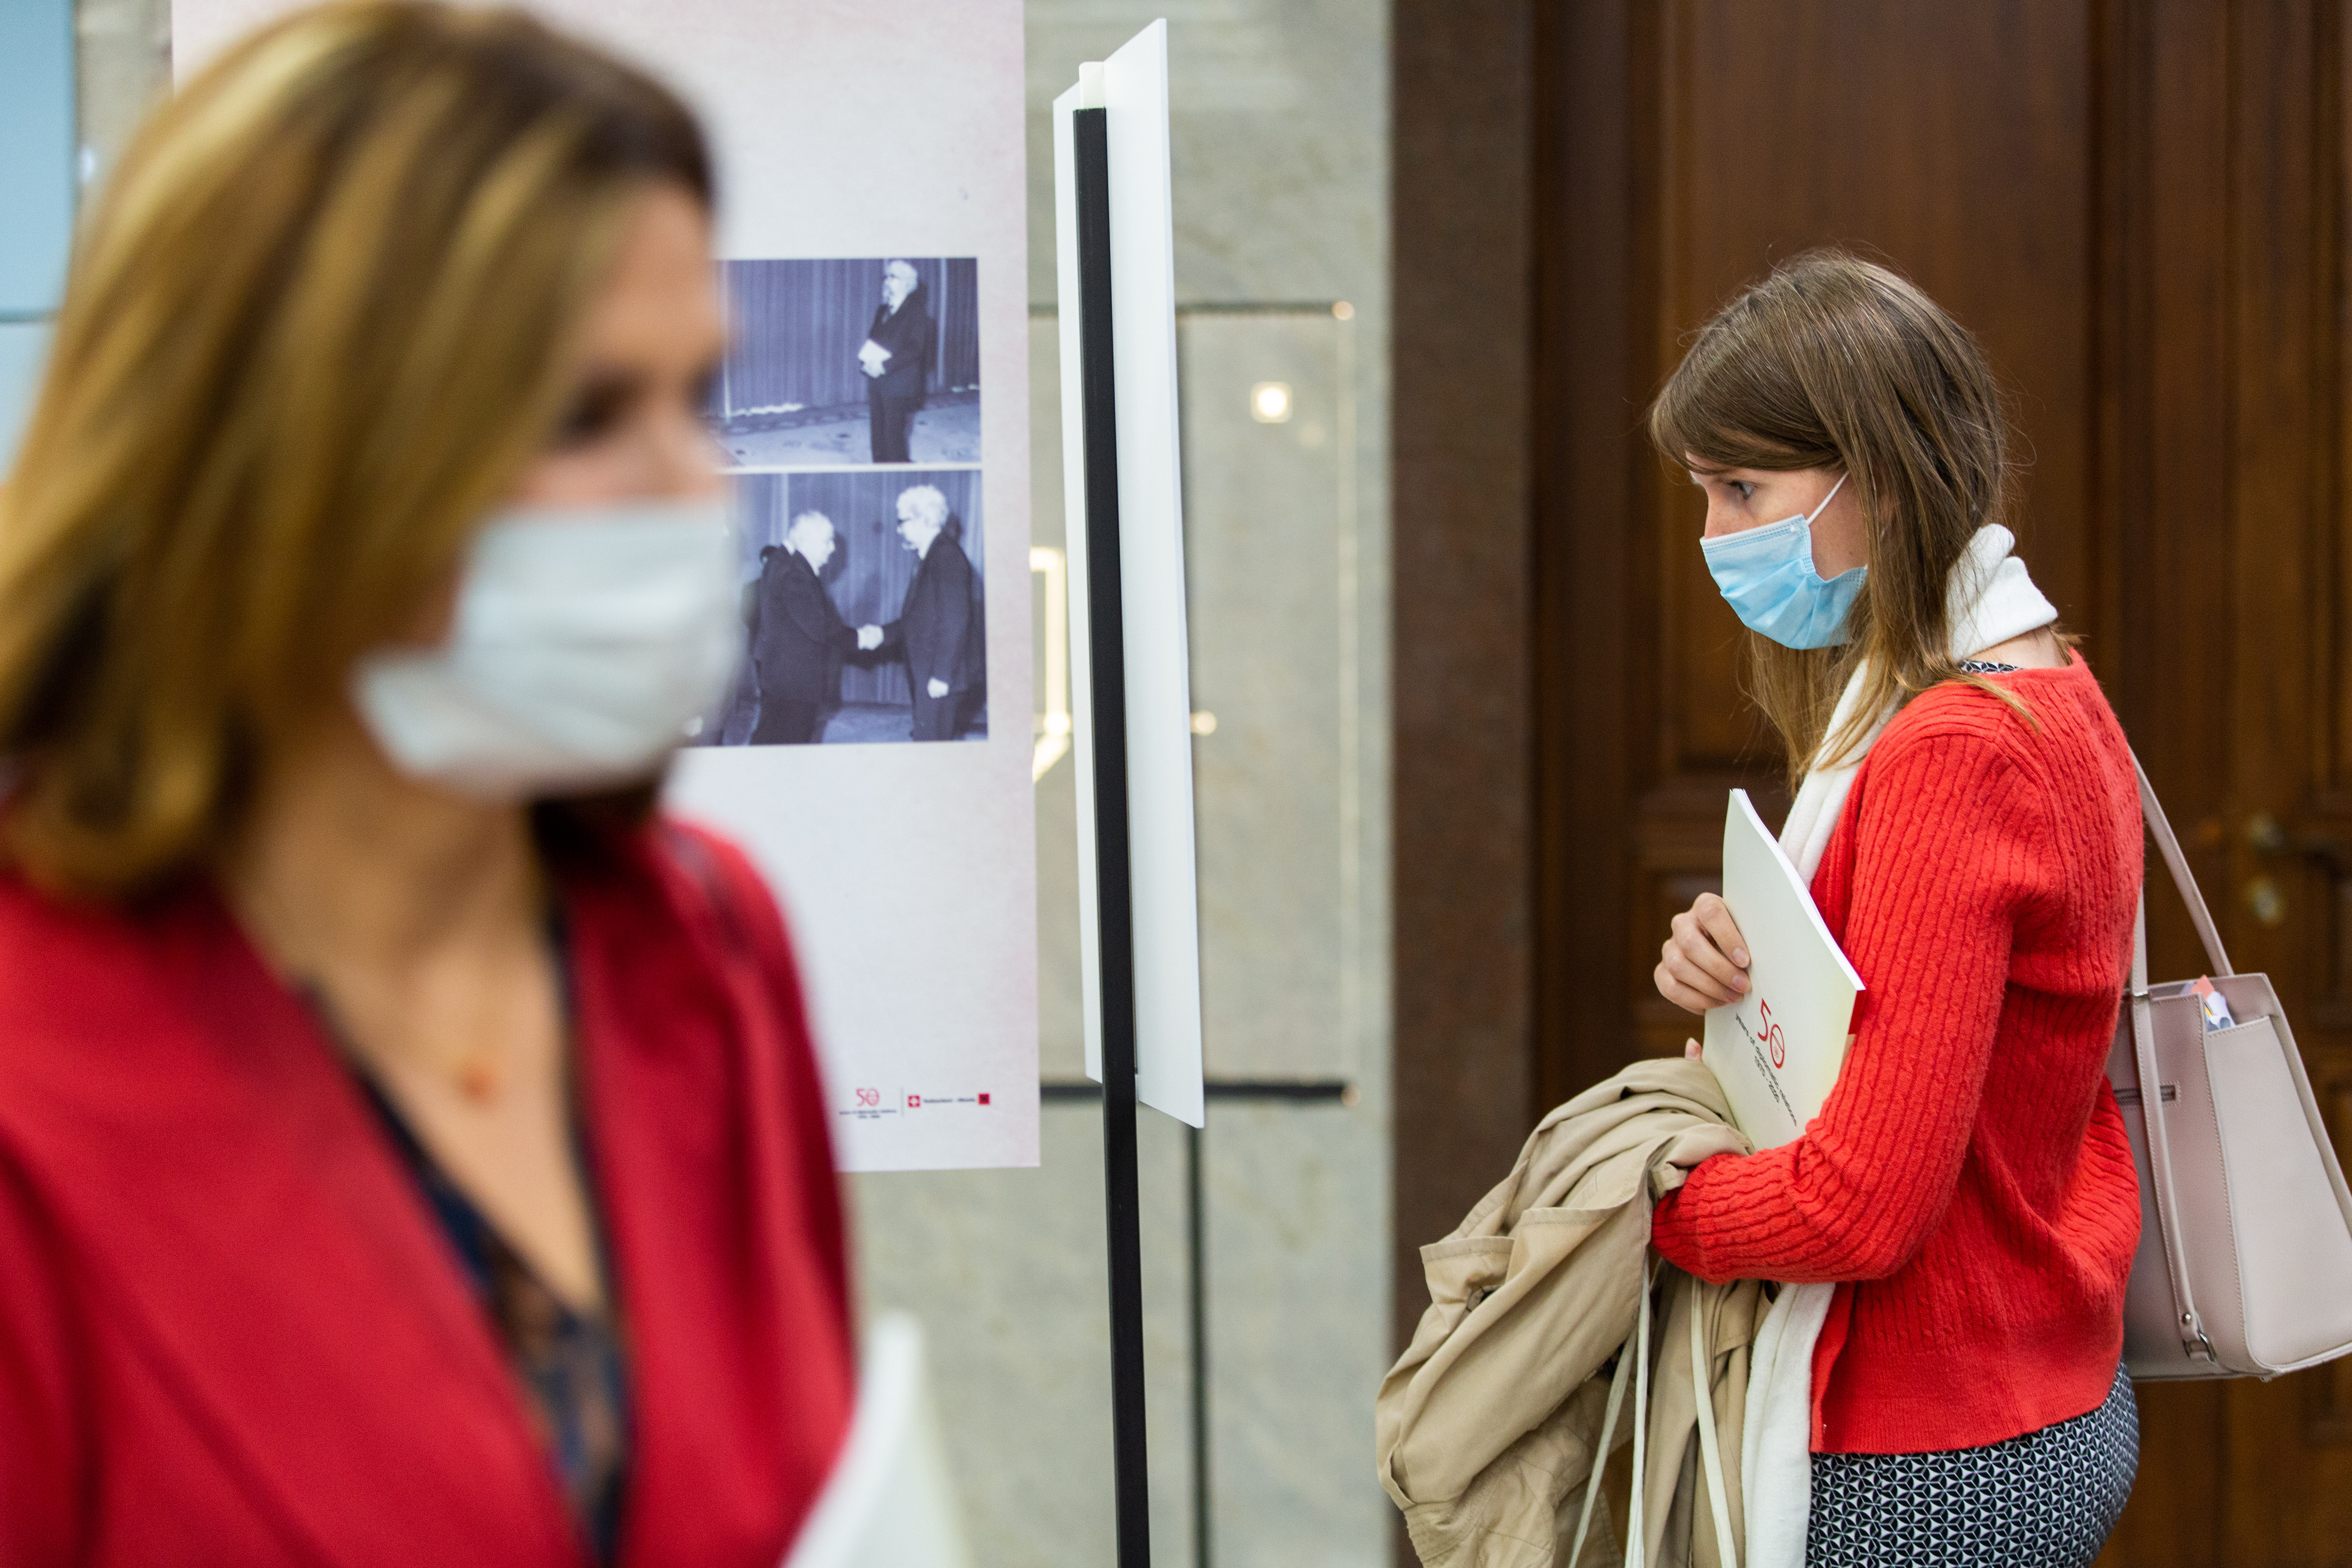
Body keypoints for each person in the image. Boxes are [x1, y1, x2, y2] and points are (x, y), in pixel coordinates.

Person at [0, 6, 853, 1564]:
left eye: (697, 397)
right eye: (587, 415)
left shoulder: (709, 949)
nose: (698, 492)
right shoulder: (33, 1067)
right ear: (289, 456)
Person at [1644, 251, 2143, 1567]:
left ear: (1874, 470)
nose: (1713, 535)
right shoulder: (2052, 684)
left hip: (1926, 1445)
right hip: (2035, 1389)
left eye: (1742, 488)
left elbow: (1858, 1207)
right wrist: (1740, 975)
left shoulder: (1948, 746)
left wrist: (1632, 1204)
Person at [865, 484, 982, 742]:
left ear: (923, 519)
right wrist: (881, 634)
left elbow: (955, 620)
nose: (898, 529)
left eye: (902, 522)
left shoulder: (947, 556)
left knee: (932, 744)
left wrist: (941, 676)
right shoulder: (931, 556)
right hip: (929, 671)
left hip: (939, 675)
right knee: (928, 739)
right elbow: (918, 620)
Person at [749, 511, 875, 745]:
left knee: (771, 745)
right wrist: (860, 638)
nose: (832, 548)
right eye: (827, 541)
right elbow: (821, 627)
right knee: (788, 751)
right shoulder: (797, 575)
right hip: (794, 686)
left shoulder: (789, 566)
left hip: (785, 681)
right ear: (806, 542)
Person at [859, 259, 933, 463]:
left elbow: (915, 350)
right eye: (887, 276)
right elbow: (873, 340)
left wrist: (884, 366)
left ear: (907, 283)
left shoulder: (916, 314)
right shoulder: (883, 310)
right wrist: (867, 363)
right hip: (877, 381)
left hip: (899, 384)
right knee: (878, 434)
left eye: (894, 277)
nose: (887, 281)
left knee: (894, 438)